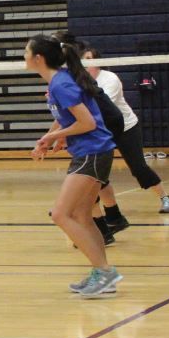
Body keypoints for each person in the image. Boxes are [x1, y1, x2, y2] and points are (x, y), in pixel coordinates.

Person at [26, 32, 123, 298]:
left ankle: (105, 272)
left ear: (38, 58)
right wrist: (52, 138)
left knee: (60, 214)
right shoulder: (57, 83)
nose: (23, 57)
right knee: (82, 215)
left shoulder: (61, 84)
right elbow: (69, 120)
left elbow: (88, 123)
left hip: (93, 153)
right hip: (91, 152)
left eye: (26, 52)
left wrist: (51, 137)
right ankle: (103, 274)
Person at [82, 47, 169, 223]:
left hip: (125, 127)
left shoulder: (110, 79)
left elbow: (102, 108)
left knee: (138, 167)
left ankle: (165, 197)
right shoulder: (79, 81)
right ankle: (96, 209)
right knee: (96, 171)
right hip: (101, 131)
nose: (86, 63)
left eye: (89, 59)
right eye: (83, 59)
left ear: (98, 62)